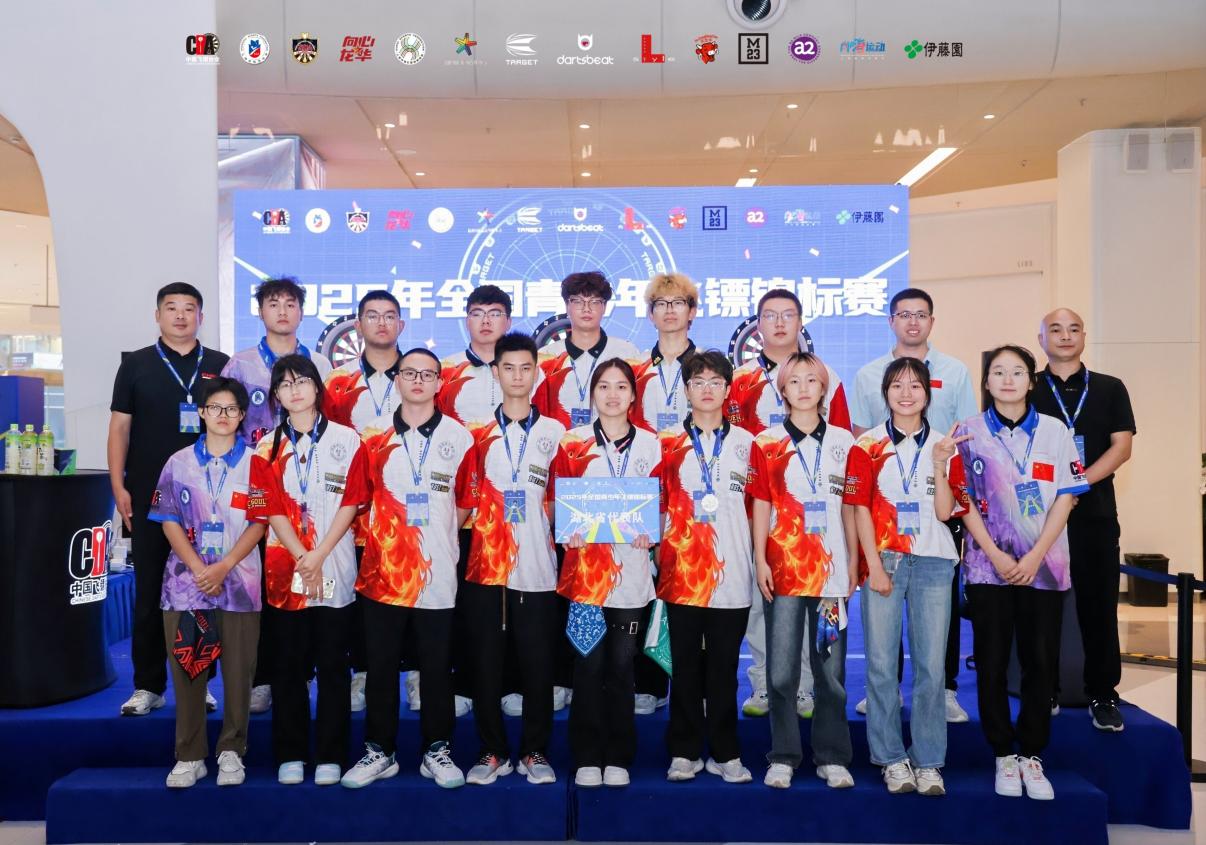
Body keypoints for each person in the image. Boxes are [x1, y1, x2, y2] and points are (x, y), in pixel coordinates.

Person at [955, 345, 1088, 801]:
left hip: (1044, 568)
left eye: (1017, 372)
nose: (1008, 380)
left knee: (1040, 661)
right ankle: (1002, 754)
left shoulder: (1055, 431)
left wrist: (1035, 557)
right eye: (998, 372)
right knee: (991, 662)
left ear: (1031, 381)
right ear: (986, 382)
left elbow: (1067, 496)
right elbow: (962, 500)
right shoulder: (967, 433)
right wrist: (995, 554)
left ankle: (1032, 752)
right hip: (986, 567)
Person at [340, 348, 474, 789]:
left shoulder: (460, 437)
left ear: (440, 383)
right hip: (382, 573)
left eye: (427, 374)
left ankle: (437, 749)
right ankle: (380, 751)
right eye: (409, 373)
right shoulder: (372, 436)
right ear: (396, 379)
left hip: (437, 574)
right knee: (380, 666)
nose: (418, 380)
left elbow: (464, 504)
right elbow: (360, 499)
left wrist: (435, 539)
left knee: (436, 666)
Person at [849, 287, 978, 723]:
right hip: (886, 506)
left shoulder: (955, 371)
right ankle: (885, 693)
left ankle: (943, 690)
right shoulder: (868, 374)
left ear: (931, 322)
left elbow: (966, 432)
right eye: (904, 314)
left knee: (938, 608)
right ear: (891, 321)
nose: (912, 322)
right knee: (884, 613)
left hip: (938, 496)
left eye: (921, 315)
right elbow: (862, 435)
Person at [845, 358, 970, 797]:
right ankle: (891, 758)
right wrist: (873, 566)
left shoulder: (945, 445)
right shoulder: (867, 445)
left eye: (915, 386)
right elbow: (859, 508)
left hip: (934, 563)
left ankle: (929, 761)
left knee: (932, 668)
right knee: (881, 666)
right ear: (885, 393)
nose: (906, 393)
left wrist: (938, 465)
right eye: (897, 385)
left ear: (927, 394)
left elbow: (945, 512)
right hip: (885, 560)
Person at [729, 289, 851, 720]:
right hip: (757, 509)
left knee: (809, 603)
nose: (779, 323)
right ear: (757, 325)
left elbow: (842, 448)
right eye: (770, 316)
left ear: (801, 322)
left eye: (788, 315)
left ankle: (804, 687)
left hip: (815, 520)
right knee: (763, 603)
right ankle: (764, 683)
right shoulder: (739, 379)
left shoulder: (825, 375)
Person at [109, 282, 229, 717]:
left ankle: (201, 683)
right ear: (157, 315)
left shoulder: (219, 365)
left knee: (203, 590)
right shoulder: (136, 365)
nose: (180, 315)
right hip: (148, 495)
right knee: (149, 591)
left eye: (189, 308)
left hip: (207, 499)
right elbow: (119, 428)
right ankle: (148, 685)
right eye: (171, 308)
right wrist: (118, 485)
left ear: (201, 316)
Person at [248, 354, 369, 786]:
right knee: (288, 666)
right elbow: (270, 509)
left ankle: (332, 754)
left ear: (317, 387)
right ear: (276, 395)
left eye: (301, 381)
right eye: (285, 384)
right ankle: (291, 753)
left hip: (334, 563)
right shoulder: (266, 447)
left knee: (334, 665)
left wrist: (320, 554)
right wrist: (303, 555)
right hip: (286, 570)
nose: (294, 390)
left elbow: (353, 501)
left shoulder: (347, 439)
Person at [222, 276, 332, 715]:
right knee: (262, 582)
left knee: (309, 574)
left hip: (312, 490)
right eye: (273, 303)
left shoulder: (319, 362)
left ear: (302, 311)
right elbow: (226, 423)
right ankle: (264, 676)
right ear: (261, 311)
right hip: (256, 486)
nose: (282, 311)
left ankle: (307, 670)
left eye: (290, 303)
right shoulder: (241, 364)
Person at [748, 352, 858, 790]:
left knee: (829, 673)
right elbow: (761, 503)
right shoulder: (767, 442)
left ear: (824, 388)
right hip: (784, 574)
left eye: (812, 380)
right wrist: (760, 558)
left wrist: (853, 560)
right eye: (794, 381)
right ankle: (784, 755)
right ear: (782, 390)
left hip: (831, 578)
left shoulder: (845, 443)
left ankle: (832, 756)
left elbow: (850, 507)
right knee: (780, 672)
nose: (804, 388)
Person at [460, 332, 566, 786]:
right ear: (495, 372)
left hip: (539, 567)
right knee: (485, 664)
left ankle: (535, 751)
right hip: (486, 566)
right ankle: (492, 751)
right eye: (509, 368)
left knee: (539, 664)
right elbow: (463, 501)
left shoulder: (557, 433)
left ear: (537, 372)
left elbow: (564, 501)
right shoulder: (475, 434)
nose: (518, 376)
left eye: (526, 368)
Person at [150, 377, 264, 788]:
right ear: (201, 412)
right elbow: (168, 520)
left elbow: (259, 522)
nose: (223, 415)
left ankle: (232, 750)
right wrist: (200, 568)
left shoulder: (256, 463)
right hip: (186, 585)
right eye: (215, 407)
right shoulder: (178, 463)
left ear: (242, 415)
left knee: (239, 673)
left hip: (241, 584)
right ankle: (190, 754)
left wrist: (224, 566)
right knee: (188, 669)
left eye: (231, 409)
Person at [552, 358, 660, 788]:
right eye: (603, 386)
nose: (612, 395)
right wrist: (568, 532)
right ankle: (586, 756)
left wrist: (652, 532)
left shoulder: (651, 444)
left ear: (633, 396)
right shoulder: (573, 442)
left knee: (621, 666)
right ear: (592, 393)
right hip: (586, 578)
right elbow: (558, 499)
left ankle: (618, 754)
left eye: (621, 387)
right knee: (587, 665)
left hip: (631, 576)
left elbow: (662, 500)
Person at [433, 284, 534, 718]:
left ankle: (513, 683)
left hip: (517, 512)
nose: (487, 320)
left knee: (516, 599)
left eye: (495, 313)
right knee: (465, 600)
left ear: (508, 320)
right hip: (464, 510)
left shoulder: (530, 371)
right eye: (478, 312)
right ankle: (465, 683)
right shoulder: (446, 371)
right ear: (467, 319)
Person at [1034, 308, 1135, 730]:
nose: (1065, 336)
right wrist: (1055, 495)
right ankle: (1045, 689)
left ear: (1084, 336)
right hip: (1039, 519)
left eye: (1073, 329)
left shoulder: (1110, 387)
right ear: (1041, 339)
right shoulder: (1028, 388)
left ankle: (1103, 693)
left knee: (1098, 607)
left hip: (1094, 514)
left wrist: (1076, 485)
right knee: (1043, 607)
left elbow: (1121, 447)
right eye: (1055, 329)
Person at [658, 350, 755, 785]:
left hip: (732, 573)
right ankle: (683, 751)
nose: (707, 389)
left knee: (723, 669)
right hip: (681, 573)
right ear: (686, 390)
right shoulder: (665, 443)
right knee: (683, 667)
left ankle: (725, 751)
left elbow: (758, 509)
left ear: (728, 390)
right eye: (698, 382)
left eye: (716, 381)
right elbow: (656, 504)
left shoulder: (749, 444)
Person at [322, 289, 405, 712]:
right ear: (358, 326)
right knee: (360, 592)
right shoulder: (338, 382)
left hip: (407, 507)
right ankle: (362, 672)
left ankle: (416, 672)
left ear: (401, 325)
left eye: (389, 316)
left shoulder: (420, 373)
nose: (381, 323)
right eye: (372, 316)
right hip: (352, 509)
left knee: (414, 583)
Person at [628, 272, 700, 715]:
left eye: (678, 303)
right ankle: (648, 684)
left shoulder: (709, 368)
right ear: (650, 314)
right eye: (661, 304)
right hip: (644, 488)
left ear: (692, 312)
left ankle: (695, 686)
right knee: (645, 584)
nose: (669, 311)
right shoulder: (634, 370)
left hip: (696, 490)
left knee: (696, 587)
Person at [536, 271, 641, 429]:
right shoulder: (546, 357)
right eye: (578, 301)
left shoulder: (627, 353)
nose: (586, 309)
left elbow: (637, 410)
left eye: (594, 302)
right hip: (558, 442)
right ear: (567, 306)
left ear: (604, 307)